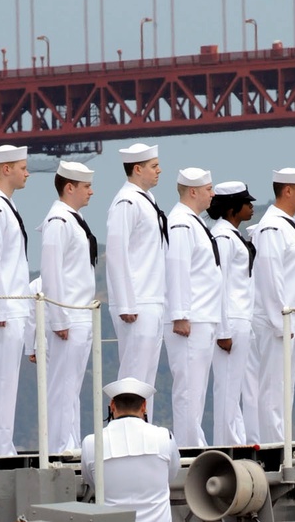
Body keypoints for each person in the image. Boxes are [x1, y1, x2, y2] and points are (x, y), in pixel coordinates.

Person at [39, 158, 98, 454]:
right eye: (86, 186)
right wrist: (59, 318)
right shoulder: (58, 222)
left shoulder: (73, 219)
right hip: (69, 315)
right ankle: (59, 446)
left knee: (72, 387)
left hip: (80, 313)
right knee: (62, 386)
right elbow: (50, 274)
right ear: (70, 187)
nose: (91, 192)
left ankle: (70, 442)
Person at [105, 143, 168, 415]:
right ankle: (125, 430)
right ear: (137, 169)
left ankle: (144, 430)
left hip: (152, 297)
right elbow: (116, 253)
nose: (159, 171)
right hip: (137, 300)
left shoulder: (146, 200)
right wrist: (125, 303)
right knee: (133, 376)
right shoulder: (126, 202)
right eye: (154, 166)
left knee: (146, 379)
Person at [252, 167, 295, 443]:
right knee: (273, 388)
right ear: (287, 190)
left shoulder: (290, 224)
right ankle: (274, 447)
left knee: (284, 388)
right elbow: (270, 277)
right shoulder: (272, 227)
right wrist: (281, 321)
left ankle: (283, 442)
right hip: (279, 320)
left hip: (293, 319)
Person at [164, 167, 220, 446]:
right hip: (191, 318)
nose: (213, 193)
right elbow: (178, 269)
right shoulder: (181, 223)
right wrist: (180, 315)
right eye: (209, 188)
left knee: (196, 391)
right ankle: (189, 450)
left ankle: (192, 445)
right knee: (188, 390)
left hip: (202, 316)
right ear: (194, 191)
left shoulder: (193, 222)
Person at [0, 144, 31, 455]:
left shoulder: (5, 206)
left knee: (7, 381)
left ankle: (3, 443)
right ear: (7, 169)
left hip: (14, 306)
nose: (28, 172)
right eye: (23, 167)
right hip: (4, 307)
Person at [81, 379, 179, 522]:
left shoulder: (92, 443)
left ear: (112, 405)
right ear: (144, 406)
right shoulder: (164, 437)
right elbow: (171, 474)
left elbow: (93, 482)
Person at [207, 181, 256, 446]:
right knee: (226, 388)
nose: (252, 206)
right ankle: (227, 446)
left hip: (240, 318)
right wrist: (223, 330)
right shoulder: (223, 238)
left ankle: (236, 441)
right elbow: (220, 284)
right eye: (247, 202)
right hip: (231, 319)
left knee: (233, 386)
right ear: (232, 208)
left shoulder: (232, 235)